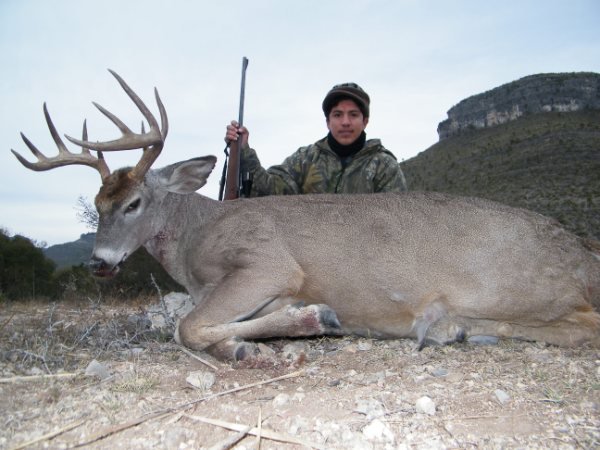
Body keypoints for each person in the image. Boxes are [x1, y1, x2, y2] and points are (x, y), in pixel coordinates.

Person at [224, 82, 407, 196]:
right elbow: (270, 191)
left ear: (365, 121)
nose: (345, 122)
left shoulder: (384, 166)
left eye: (353, 115)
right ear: (328, 122)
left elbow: (397, 222)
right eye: (337, 115)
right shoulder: (305, 159)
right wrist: (244, 151)